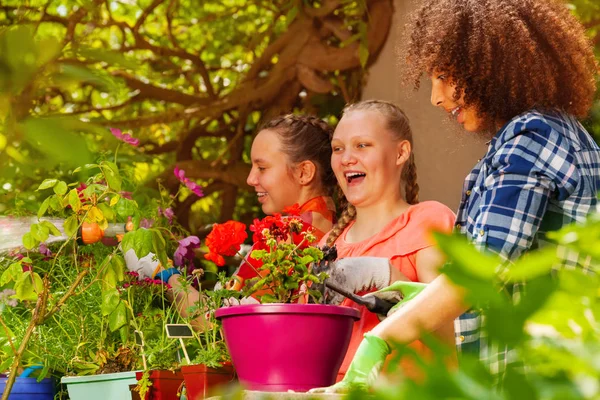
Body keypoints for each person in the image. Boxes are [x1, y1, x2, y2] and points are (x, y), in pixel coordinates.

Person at [311, 0, 600, 393]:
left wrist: (378, 341)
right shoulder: (531, 140)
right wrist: (416, 293)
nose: (436, 97)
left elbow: (476, 276)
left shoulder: (532, 137)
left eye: (444, 75)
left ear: (493, 65)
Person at [124, 114, 337, 328]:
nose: (250, 179)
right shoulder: (323, 224)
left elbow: (222, 326)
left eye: (262, 168)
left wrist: (165, 276)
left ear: (304, 172)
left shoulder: (296, 237)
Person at [317, 99, 456, 382]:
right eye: (338, 149)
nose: (346, 159)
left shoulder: (428, 222)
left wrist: (386, 275)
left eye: (362, 145)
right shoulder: (325, 246)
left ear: (400, 153)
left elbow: (455, 339)